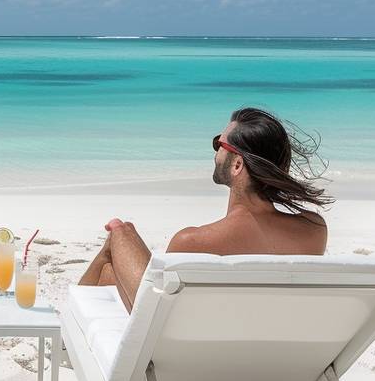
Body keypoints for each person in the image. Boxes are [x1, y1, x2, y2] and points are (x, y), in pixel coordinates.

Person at [80, 107, 332, 311]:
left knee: (121, 234)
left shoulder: (192, 241)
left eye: (218, 144)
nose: (215, 152)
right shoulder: (313, 230)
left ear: (237, 165)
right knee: (110, 271)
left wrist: (119, 234)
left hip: (184, 357)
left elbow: (154, 314)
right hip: (267, 351)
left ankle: (68, 332)